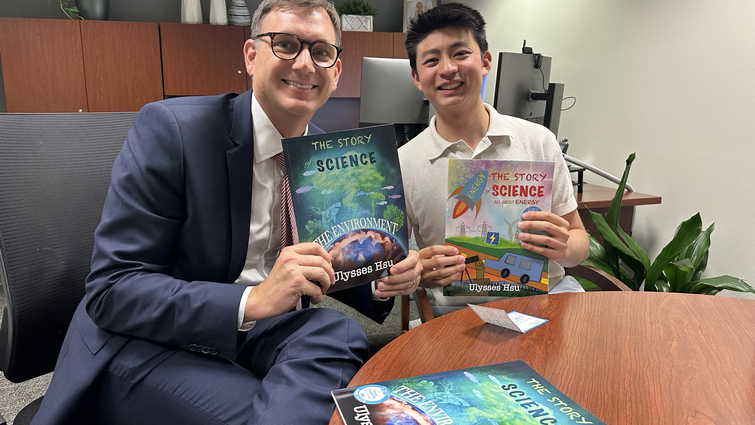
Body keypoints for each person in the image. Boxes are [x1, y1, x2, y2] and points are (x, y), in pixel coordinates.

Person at [31, 1, 421, 424]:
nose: (305, 64)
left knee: (338, 331)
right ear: (252, 56)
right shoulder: (174, 130)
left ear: (336, 70)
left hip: (252, 334)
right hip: (148, 340)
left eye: (321, 52)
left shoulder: (328, 157)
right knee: (274, 406)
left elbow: (334, 260)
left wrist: (385, 278)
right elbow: (113, 290)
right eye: (286, 45)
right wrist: (253, 300)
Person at [399, 3, 588, 316]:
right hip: (459, 314)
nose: (447, 69)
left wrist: (565, 247)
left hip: (549, 300)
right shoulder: (403, 162)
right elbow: (390, 266)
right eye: (432, 60)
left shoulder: (539, 141)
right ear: (417, 78)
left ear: (485, 62)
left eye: (460, 53)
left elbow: (579, 240)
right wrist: (416, 268)